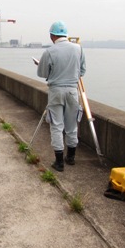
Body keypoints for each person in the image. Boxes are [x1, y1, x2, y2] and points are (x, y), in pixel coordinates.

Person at [36, 21, 86, 172]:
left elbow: (42, 73)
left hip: (56, 91)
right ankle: (70, 157)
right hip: (72, 91)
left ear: (52, 35)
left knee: (57, 126)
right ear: (66, 34)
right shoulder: (78, 49)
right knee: (72, 126)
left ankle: (59, 162)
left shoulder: (49, 51)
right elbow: (82, 71)